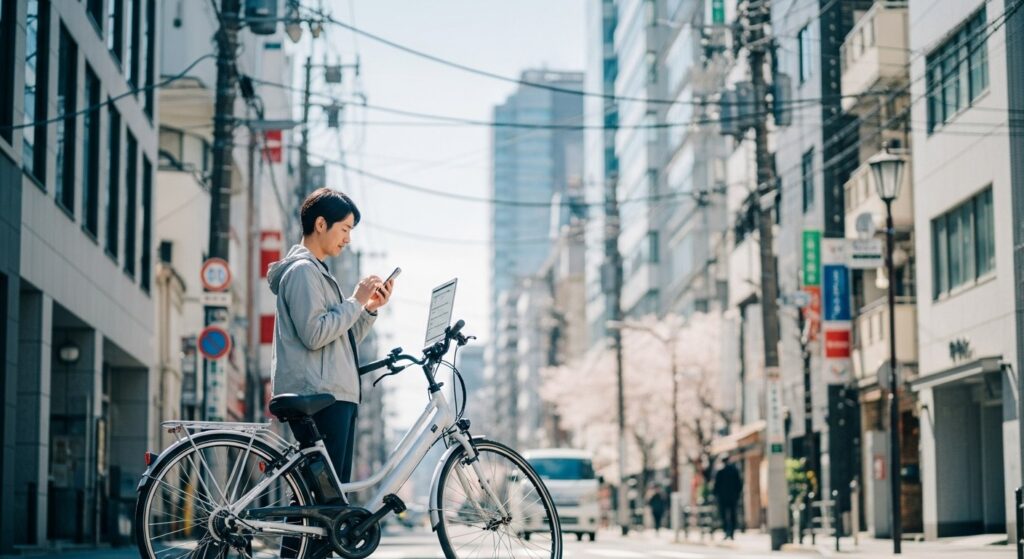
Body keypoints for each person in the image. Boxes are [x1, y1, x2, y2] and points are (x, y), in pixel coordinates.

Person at [268, 187, 394, 491]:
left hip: (332, 394)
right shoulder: (302, 272)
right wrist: (355, 300)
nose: (348, 238)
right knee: (322, 497)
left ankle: (299, 542)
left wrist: (367, 309)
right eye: (345, 229)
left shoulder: (319, 273)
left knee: (320, 499)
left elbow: (340, 339)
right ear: (321, 224)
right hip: (320, 396)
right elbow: (315, 334)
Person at [713, 457, 743, 540]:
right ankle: (732, 532)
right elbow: (739, 484)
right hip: (733, 497)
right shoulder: (734, 470)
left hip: (722, 497)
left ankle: (726, 532)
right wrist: (737, 494)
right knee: (733, 514)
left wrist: (715, 495)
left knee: (723, 515)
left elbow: (716, 486)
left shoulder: (720, 471)